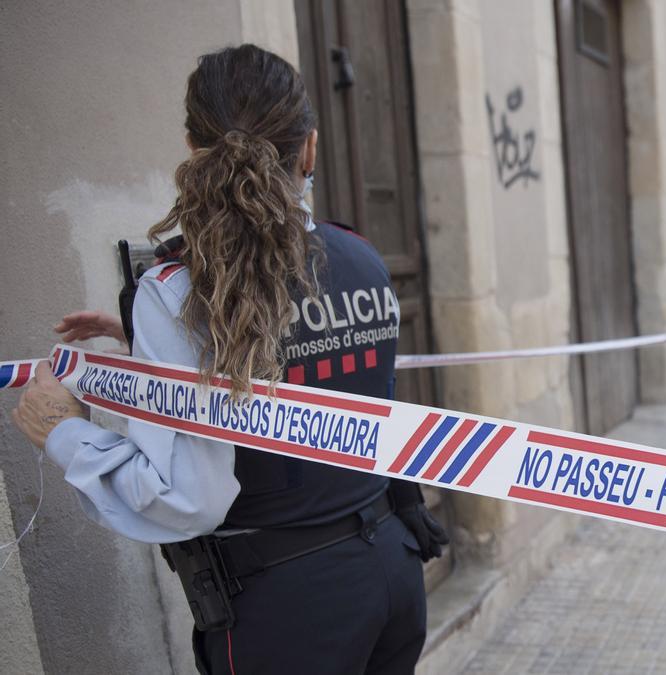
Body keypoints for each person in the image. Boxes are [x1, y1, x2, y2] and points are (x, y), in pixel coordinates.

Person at [10, 45, 444, 675]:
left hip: (287, 609)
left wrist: (63, 432)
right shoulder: (361, 255)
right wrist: (149, 355)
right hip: (391, 575)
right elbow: (311, 371)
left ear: (192, 148)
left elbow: (189, 498)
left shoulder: (180, 290)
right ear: (310, 150)